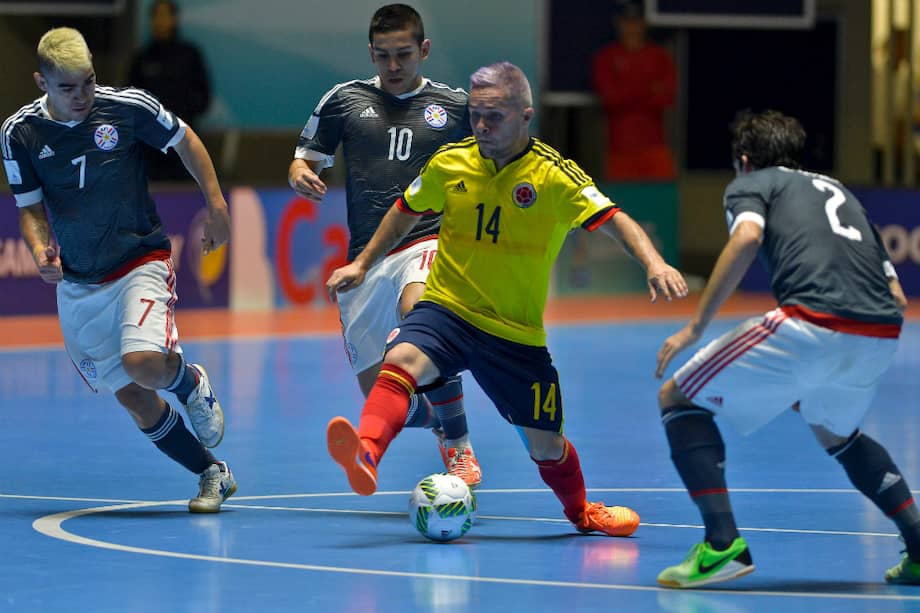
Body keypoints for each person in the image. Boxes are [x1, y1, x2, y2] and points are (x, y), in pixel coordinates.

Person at [323, 61, 688, 538]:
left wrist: (654, 263)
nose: (481, 126)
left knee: (547, 446)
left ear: (525, 115)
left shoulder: (555, 176)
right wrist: (363, 263)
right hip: (448, 310)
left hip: (514, 336)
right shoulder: (452, 161)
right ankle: (367, 451)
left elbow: (615, 219)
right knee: (402, 357)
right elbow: (404, 210)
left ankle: (581, 512)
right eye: (475, 115)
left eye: (494, 116)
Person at [653, 109, 916, 588]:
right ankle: (918, 544)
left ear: (745, 161)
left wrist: (694, 327)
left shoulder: (753, 183)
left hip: (812, 322)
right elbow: (896, 296)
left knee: (676, 395)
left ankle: (721, 546)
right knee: (836, 431)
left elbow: (748, 237)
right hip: (880, 333)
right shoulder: (844, 195)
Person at [1, 27, 236, 513]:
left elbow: (185, 139)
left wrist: (215, 205)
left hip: (138, 261)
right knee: (133, 396)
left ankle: (190, 383)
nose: (82, 95)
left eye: (87, 81)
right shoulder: (19, 133)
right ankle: (211, 472)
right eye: (67, 87)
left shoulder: (127, 107)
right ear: (41, 81)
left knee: (143, 364)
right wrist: (43, 249)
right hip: (80, 283)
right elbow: (29, 208)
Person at [288, 4, 483, 487]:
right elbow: (304, 159)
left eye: (403, 55)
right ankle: (439, 419)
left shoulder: (457, 107)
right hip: (366, 258)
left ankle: (458, 448)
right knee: (380, 393)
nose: (393, 67)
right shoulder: (344, 101)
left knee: (420, 318)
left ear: (424, 50)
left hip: (426, 239)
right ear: (370, 53)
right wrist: (301, 174)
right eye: (383, 56)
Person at [592, 0, 676, 181]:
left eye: (636, 22)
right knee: (622, 205)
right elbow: (610, 99)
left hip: (655, 146)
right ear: (618, 24)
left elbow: (666, 97)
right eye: (626, 22)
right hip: (619, 148)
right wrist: (647, 87)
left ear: (643, 24)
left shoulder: (659, 56)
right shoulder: (606, 57)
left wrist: (626, 87)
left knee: (660, 200)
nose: (631, 28)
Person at [128, 0, 212, 182]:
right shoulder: (142, 58)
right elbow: (130, 101)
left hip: (184, 140)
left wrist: (182, 115)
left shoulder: (190, 55)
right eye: (156, 16)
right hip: (150, 146)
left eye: (164, 16)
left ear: (174, 19)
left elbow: (204, 97)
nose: (160, 21)